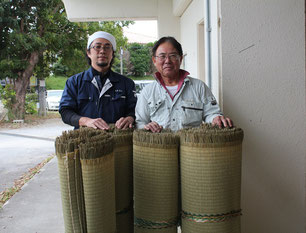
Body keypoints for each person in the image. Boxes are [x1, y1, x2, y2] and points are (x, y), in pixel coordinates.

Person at [135, 36, 233, 132]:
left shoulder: (199, 87)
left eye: (173, 56)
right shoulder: (147, 92)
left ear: (180, 59)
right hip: (160, 147)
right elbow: (140, 122)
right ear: (154, 60)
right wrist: (147, 127)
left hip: (192, 146)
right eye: (162, 56)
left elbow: (211, 113)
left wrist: (216, 118)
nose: (167, 61)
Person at [59, 31, 137, 130]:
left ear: (112, 53)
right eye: (97, 46)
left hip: (118, 141)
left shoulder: (126, 83)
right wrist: (86, 121)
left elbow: (134, 111)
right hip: (84, 140)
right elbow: (65, 112)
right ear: (88, 52)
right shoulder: (74, 82)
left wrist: (130, 118)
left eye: (107, 47)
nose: (102, 51)